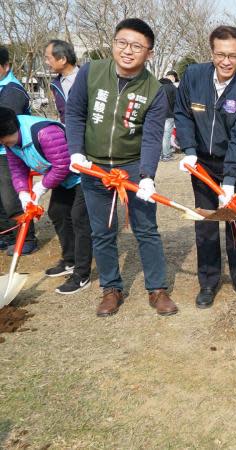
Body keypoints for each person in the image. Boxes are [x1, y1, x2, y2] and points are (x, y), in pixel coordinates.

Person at [67, 18, 177, 317]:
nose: (128, 51)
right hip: (95, 167)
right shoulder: (91, 71)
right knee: (102, 231)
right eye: (122, 43)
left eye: (137, 46)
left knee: (147, 230)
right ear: (114, 43)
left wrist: (147, 176)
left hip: (130, 167)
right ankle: (111, 288)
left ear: (149, 53)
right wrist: (76, 152)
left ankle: (157, 289)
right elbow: (75, 114)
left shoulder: (154, 89)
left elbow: (153, 136)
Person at [175, 25, 236, 309]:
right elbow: (183, 114)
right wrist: (188, 150)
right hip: (201, 164)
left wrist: (230, 180)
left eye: (233, 56)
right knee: (207, 223)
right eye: (221, 54)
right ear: (211, 53)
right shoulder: (193, 77)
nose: (226, 61)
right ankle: (209, 281)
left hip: (233, 164)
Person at [0, 107, 92, 294]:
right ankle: (70, 260)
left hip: (84, 175)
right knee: (57, 213)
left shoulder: (45, 133)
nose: (4, 144)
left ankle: (82, 275)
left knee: (79, 218)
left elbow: (62, 164)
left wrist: (41, 187)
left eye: (3, 140)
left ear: (8, 132)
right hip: (64, 179)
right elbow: (17, 169)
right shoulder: (11, 144)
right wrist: (23, 193)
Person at [0, 45, 37, 255]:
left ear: (6, 66)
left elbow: (6, 126)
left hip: (9, 152)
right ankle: (5, 234)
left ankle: (27, 237)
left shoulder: (13, 90)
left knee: (11, 197)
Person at [44, 40, 80, 124]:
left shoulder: (89, 78)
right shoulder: (55, 85)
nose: (46, 62)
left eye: (48, 58)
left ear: (63, 59)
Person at [158, 76, 178, 161]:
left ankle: (158, 155)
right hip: (169, 114)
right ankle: (166, 155)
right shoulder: (172, 87)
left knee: (158, 135)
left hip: (157, 114)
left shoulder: (157, 86)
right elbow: (177, 101)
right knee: (166, 135)